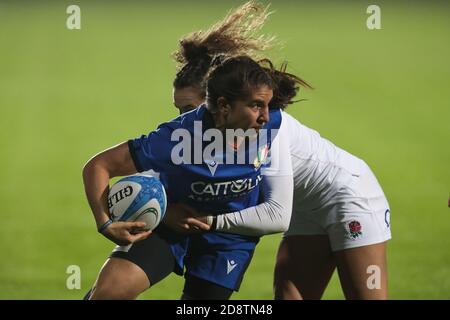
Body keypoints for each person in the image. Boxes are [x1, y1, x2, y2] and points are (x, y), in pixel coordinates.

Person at [166, 4, 392, 300]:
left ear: (219, 101)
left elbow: (275, 215)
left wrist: (209, 221)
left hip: (349, 196)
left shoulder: (264, 127)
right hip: (302, 207)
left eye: (189, 109)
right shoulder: (209, 131)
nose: (182, 119)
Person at [83, 54, 298, 300]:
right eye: (256, 106)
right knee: (109, 293)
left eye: (267, 105)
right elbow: (98, 166)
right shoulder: (178, 137)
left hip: (229, 240)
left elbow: (280, 213)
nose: (266, 116)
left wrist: (211, 221)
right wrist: (105, 223)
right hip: (170, 226)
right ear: (225, 106)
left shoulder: (272, 124)